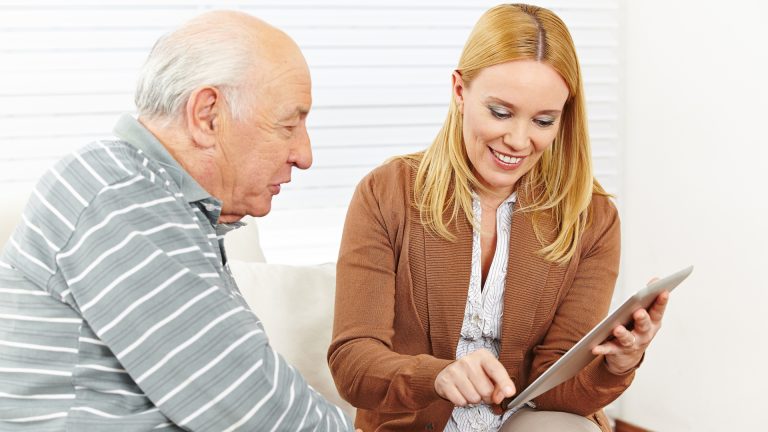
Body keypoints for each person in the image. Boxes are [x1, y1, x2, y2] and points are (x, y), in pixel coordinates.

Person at [0, 11, 355, 431]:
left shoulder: (164, 201)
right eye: (288, 125)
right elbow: (246, 404)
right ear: (207, 116)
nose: (305, 155)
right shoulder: (117, 193)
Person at [328, 4, 669, 432]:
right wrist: (436, 375)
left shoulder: (592, 217)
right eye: (501, 112)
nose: (519, 140)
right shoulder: (387, 193)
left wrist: (618, 363)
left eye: (543, 120)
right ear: (459, 91)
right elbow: (353, 362)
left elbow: (558, 392)